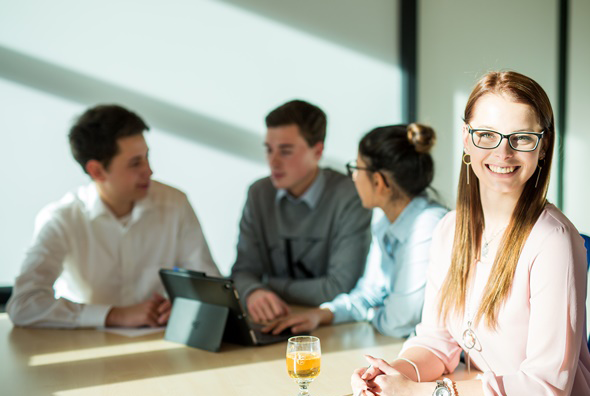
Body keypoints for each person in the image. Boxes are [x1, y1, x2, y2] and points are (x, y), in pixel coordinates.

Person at [350, 71, 590, 396]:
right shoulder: (449, 230)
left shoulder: (553, 240)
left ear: (543, 146)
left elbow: (546, 387)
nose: (503, 152)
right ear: (467, 140)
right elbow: (437, 342)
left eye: (522, 137)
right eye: (486, 135)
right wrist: (393, 376)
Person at [7, 104, 220, 329]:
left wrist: (183, 303)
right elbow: (23, 305)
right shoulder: (62, 218)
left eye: (147, 157)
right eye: (135, 163)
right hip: (84, 349)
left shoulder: (175, 204)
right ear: (97, 171)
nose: (149, 171)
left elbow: (211, 287)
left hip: (159, 343)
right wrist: (114, 315)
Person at [264, 123, 447, 338]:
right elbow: (368, 294)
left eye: (356, 168)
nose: (353, 177)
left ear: (378, 182)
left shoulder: (428, 225)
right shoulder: (385, 221)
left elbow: (399, 321)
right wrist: (323, 314)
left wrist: (372, 314)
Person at [231, 100, 371, 324]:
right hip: (270, 323)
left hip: (329, 325)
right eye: (268, 150)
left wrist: (267, 284)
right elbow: (242, 271)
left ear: (318, 151)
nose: (273, 161)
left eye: (285, 151)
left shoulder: (350, 196)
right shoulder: (259, 193)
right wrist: (254, 292)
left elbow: (339, 287)